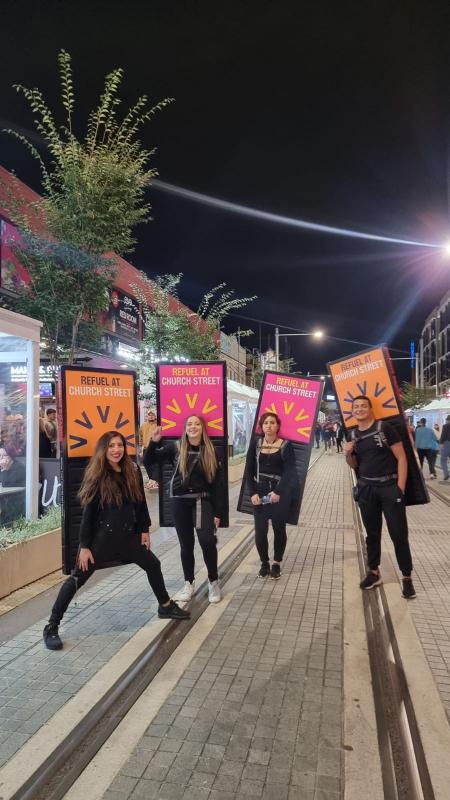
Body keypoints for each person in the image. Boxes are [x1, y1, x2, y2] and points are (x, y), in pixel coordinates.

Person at [43, 431, 189, 651]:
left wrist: (144, 530)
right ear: (104, 449)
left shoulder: (132, 471)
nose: (116, 450)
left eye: (119, 445)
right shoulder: (97, 474)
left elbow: (140, 503)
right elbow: (88, 515)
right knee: (76, 580)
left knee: (153, 565)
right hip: (101, 541)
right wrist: (84, 547)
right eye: (111, 446)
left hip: (128, 538)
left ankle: (165, 606)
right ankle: (51, 626)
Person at [145, 415, 224, 604]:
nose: (193, 427)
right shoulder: (176, 446)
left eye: (197, 424)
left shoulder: (212, 450)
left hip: (201, 502)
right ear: (185, 427)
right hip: (179, 502)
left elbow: (218, 485)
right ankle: (189, 583)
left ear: (202, 427)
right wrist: (154, 442)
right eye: (189, 424)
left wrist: (218, 513)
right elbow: (149, 460)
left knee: (206, 541)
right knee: (185, 545)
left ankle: (213, 581)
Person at [344, 395, 416, 599]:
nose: (359, 409)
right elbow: (354, 465)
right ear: (352, 411)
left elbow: (401, 457)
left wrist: (399, 488)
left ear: (370, 408)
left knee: (399, 534)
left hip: (389, 487)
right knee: (372, 534)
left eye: (363, 406)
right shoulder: (353, 433)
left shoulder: (384, 428)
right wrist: (348, 454)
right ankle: (374, 572)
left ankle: (407, 577)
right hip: (367, 488)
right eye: (356, 406)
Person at [243, 411, 296, 580]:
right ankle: (264, 562)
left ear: (278, 426)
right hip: (260, 491)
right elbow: (248, 470)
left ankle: (276, 563)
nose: (269, 425)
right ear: (261, 426)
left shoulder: (286, 445)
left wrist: (278, 492)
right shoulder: (256, 444)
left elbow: (290, 472)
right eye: (266, 423)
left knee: (279, 528)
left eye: (272, 422)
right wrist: (252, 493)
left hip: (280, 493)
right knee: (260, 531)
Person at [0, 444, 26, 525]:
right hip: (6, 499)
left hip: (16, 501)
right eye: (0, 455)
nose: (1, 458)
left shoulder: (18, 467)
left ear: (10, 456)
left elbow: (6, 484)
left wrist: (4, 469)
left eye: (3, 456)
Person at [139, 409, 158, 489]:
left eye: (152, 414)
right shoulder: (143, 425)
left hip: (155, 448)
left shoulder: (158, 425)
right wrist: (141, 447)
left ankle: (155, 481)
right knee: (146, 463)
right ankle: (151, 479)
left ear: (155, 416)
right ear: (147, 416)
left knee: (154, 465)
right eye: (149, 415)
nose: (150, 416)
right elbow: (140, 436)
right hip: (145, 448)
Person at [440, 415, 450, 482]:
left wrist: (441, 443)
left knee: (443, 460)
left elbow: (443, 435)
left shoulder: (446, 426)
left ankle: (446, 473)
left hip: (447, 443)